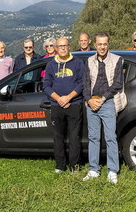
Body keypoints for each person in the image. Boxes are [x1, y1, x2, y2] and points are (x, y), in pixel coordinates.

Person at [82, 32, 127, 184]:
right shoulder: (89, 61)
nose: (102, 47)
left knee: (110, 137)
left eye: (105, 44)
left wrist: (102, 99)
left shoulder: (116, 60)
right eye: (99, 44)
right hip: (91, 103)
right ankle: (93, 169)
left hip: (107, 102)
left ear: (108, 44)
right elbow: (86, 83)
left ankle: (112, 170)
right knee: (93, 138)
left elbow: (117, 84)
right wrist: (89, 100)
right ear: (95, 45)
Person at [43, 37, 84, 173]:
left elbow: (82, 83)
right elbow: (46, 85)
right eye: (60, 46)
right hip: (56, 105)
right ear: (56, 48)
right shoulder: (51, 65)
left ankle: (74, 166)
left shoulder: (77, 63)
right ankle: (60, 165)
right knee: (58, 136)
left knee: (74, 137)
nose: (62, 48)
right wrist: (59, 99)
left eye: (65, 46)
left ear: (69, 47)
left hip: (74, 104)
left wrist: (68, 98)